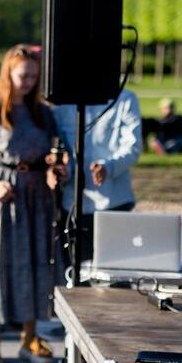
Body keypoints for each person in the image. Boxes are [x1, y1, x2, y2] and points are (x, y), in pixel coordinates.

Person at [0, 44, 60, 363]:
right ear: (9, 74)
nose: (29, 82)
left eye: (34, 76)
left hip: (36, 199)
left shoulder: (44, 113)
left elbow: (53, 153)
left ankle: (30, 337)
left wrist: (53, 169)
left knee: (36, 264)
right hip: (3, 200)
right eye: (23, 75)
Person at [52, 89, 143, 263]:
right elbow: (60, 147)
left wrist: (108, 167)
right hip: (73, 204)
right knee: (77, 274)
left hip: (113, 202)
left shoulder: (125, 98)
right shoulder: (63, 102)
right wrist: (64, 171)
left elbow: (133, 146)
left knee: (116, 273)